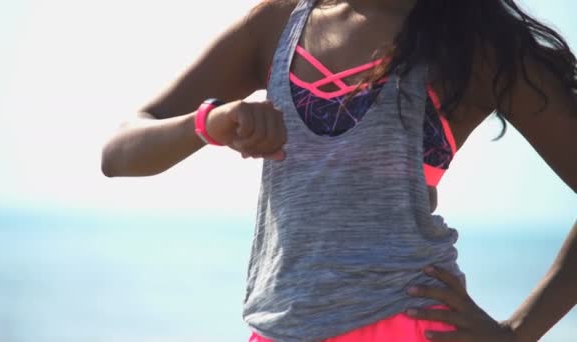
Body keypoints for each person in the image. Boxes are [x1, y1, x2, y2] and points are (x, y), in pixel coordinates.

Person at [100, 0, 577, 340]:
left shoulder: (475, 45)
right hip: (278, 325)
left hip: (405, 324)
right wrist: (208, 123)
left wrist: (517, 332)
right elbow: (118, 153)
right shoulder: (278, 23)